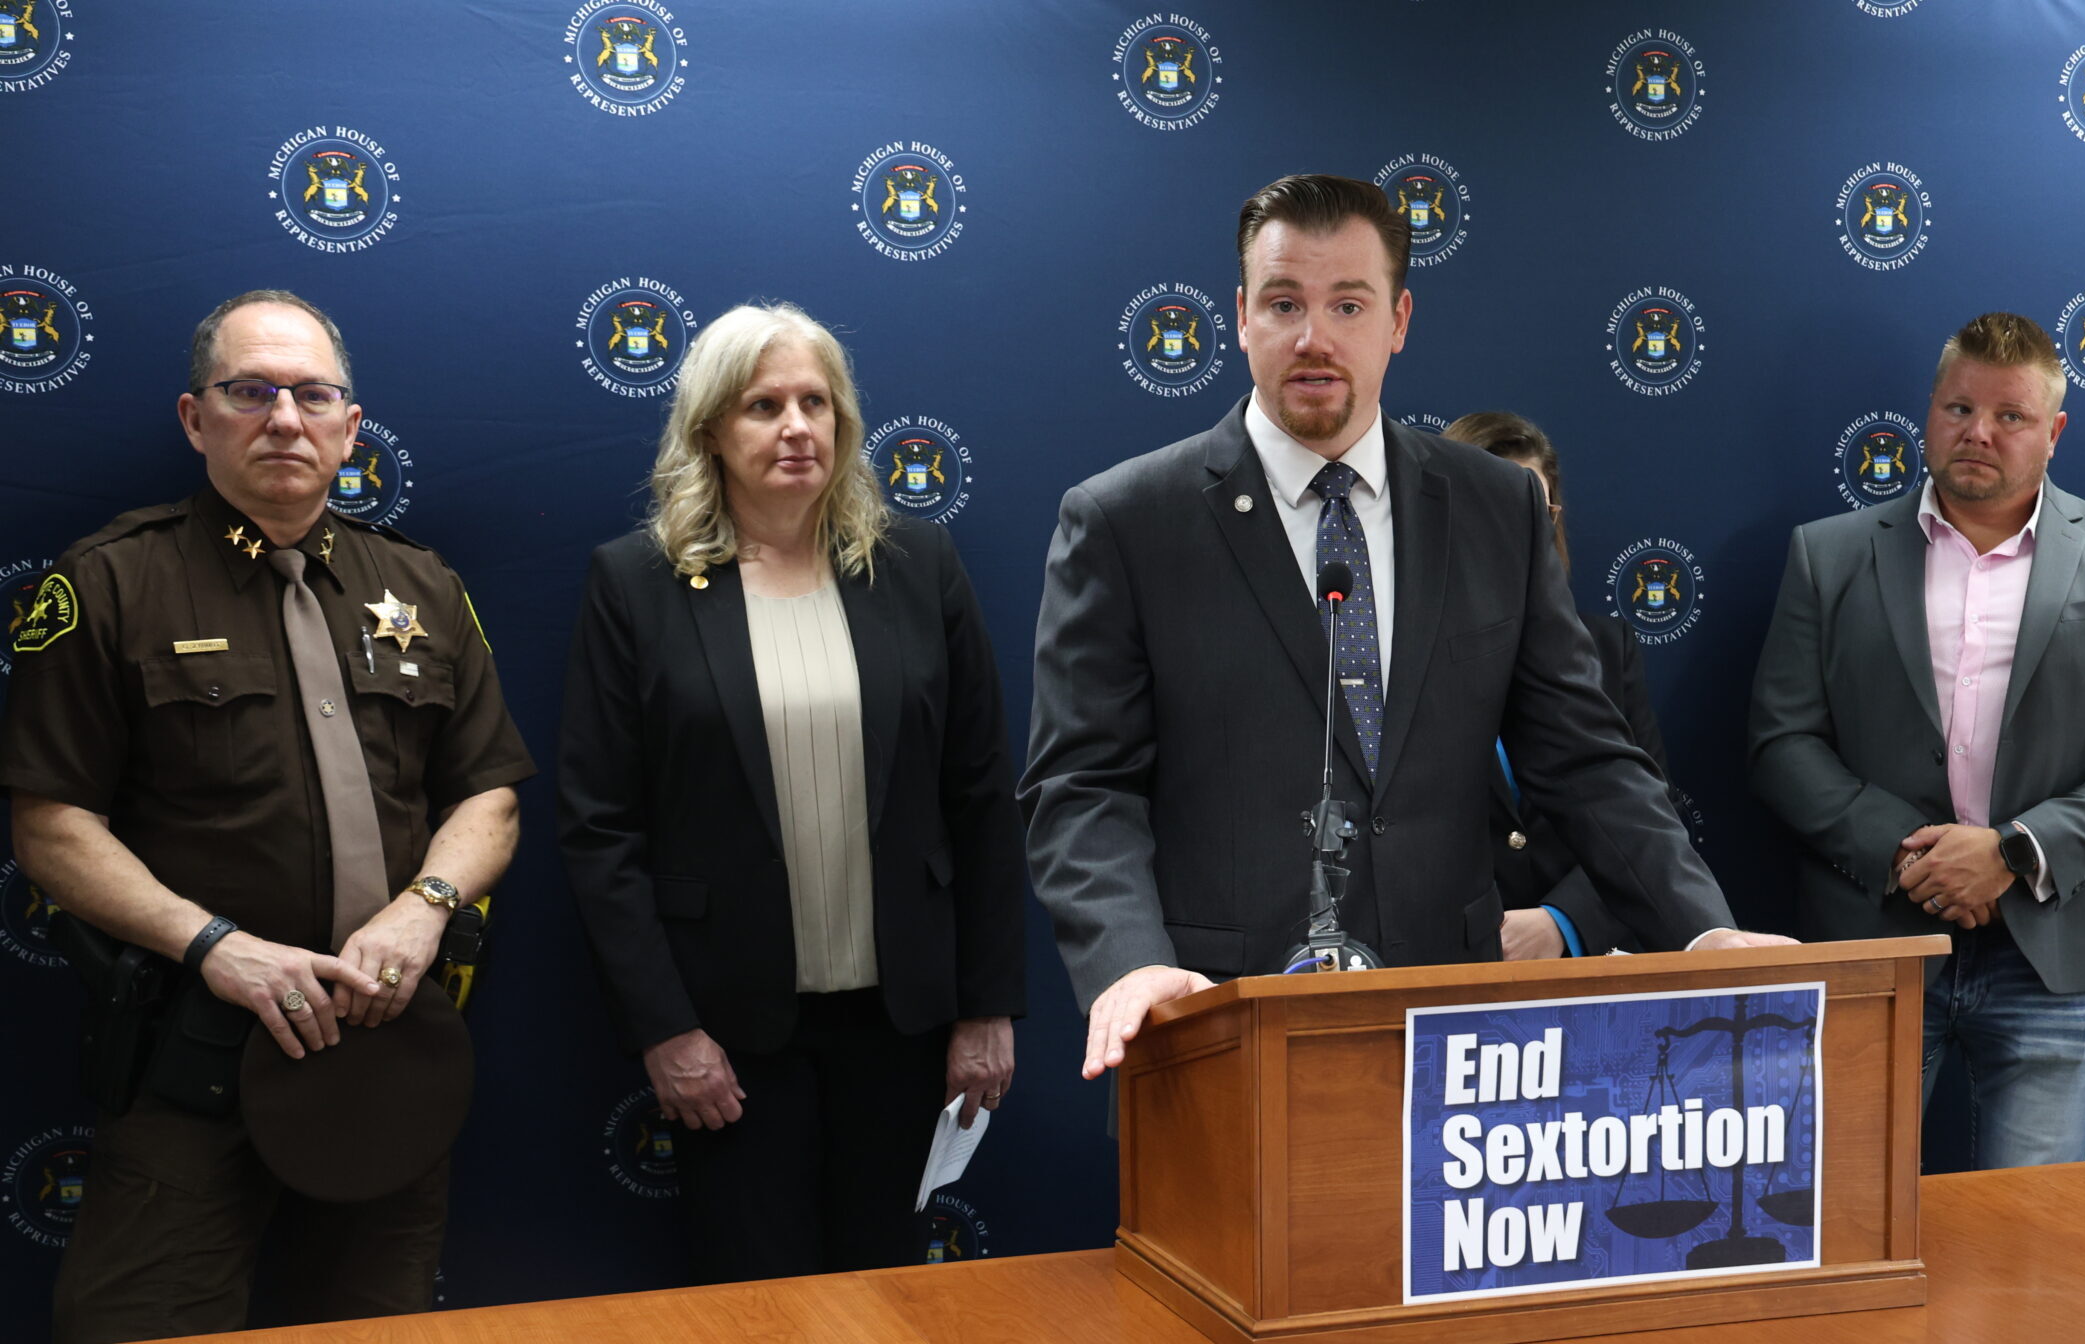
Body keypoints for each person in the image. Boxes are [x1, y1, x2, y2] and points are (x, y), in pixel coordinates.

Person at [1022, 174, 1791, 1082]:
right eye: (1283, 303)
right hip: (1215, 1027)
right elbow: (1082, 787)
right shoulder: (1125, 521)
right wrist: (1131, 962)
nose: (1314, 337)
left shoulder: (1496, 506)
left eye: (1349, 304)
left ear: (1399, 321)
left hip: (1461, 1040)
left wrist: (1700, 928)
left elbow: (1585, 758)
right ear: (1238, 316)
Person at [0, 290, 534, 1342]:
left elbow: (491, 797)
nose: (284, 417)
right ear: (198, 419)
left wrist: (423, 908)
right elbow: (50, 823)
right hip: (192, 1060)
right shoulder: (110, 584)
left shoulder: (424, 588)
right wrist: (217, 948)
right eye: (250, 391)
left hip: (390, 1059)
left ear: (349, 424)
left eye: (312, 394)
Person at [557, 301, 1025, 1282]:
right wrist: (667, 1030)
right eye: (763, 405)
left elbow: (981, 794)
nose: (796, 427)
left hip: (902, 1024)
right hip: (727, 1031)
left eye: (816, 401)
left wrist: (988, 1008)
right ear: (711, 431)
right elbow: (601, 830)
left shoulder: (916, 567)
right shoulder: (635, 584)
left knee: (880, 1286)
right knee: (754, 1295)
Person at [1745, 311, 2085, 1170]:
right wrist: (1911, 856)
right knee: (1843, 1225)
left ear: (2054, 432)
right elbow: (1781, 743)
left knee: (2030, 1249)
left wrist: (2013, 854)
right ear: (1929, 413)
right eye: (1958, 410)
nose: (1978, 433)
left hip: (2054, 953)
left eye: (2010, 416)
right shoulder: (1827, 557)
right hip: (1876, 941)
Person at [1442, 410, 1665, 958]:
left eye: (1534, 511)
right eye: (1491, 510)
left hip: (1583, 969)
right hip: (1440, 968)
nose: (1516, 531)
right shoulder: (1386, 655)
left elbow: (1645, 815)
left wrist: (1562, 921)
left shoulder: (1605, 647)